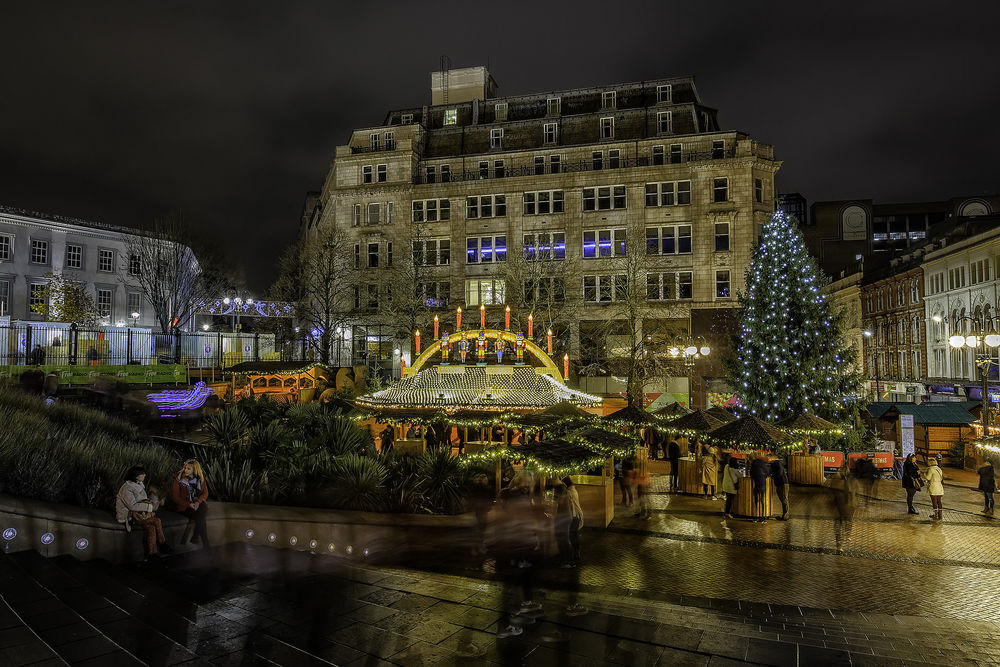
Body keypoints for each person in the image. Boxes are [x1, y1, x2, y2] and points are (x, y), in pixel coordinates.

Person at [116, 465, 173, 560]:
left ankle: (152, 555)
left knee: (151, 528)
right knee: (157, 521)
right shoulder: (127, 488)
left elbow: (142, 501)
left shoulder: (139, 485)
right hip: (129, 516)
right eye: (142, 474)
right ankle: (163, 544)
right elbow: (132, 506)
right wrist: (149, 508)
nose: (145, 475)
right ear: (135, 475)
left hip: (139, 515)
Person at [172, 459, 211, 548]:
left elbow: (205, 493)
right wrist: (189, 504)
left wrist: (197, 502)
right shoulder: (178, 479)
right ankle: (203, 542)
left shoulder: (200, 478)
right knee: (201, 516)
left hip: (196, 503)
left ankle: (200, 540)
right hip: (184, 506)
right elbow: (175, 498)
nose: (185, 470)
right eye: (185, 468)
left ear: (195, 470)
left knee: (202, 508)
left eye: (188, 469)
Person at [749, 455, 770, 522]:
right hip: (763, 485)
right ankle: (763, 517)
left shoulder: (753, 465)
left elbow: (751, 474)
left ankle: (756, 517)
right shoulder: (763, 465)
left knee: (756, 501)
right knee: (762, 501)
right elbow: (767, 473)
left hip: (756, 484)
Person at [924, 455, 944, 520]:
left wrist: (924, 473)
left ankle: (936, 515)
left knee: (934, 501)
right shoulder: (939, 469)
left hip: (933, 486)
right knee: (939, 501)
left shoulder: (930, 469)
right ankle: (940, 515)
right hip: (939, 486)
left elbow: (928, 477)